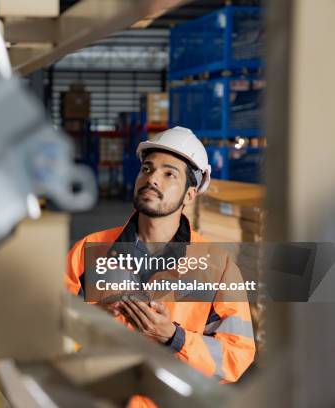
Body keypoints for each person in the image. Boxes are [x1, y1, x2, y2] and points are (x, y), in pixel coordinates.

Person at [66, 127, 256, 384]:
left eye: (169, 174)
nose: (152, 179)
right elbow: (49, 329)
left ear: (190, 194)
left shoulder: (218, 268)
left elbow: (236, 355)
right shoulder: (89, 250)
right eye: (147, 168)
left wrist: (173, 338)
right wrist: (95, 319)